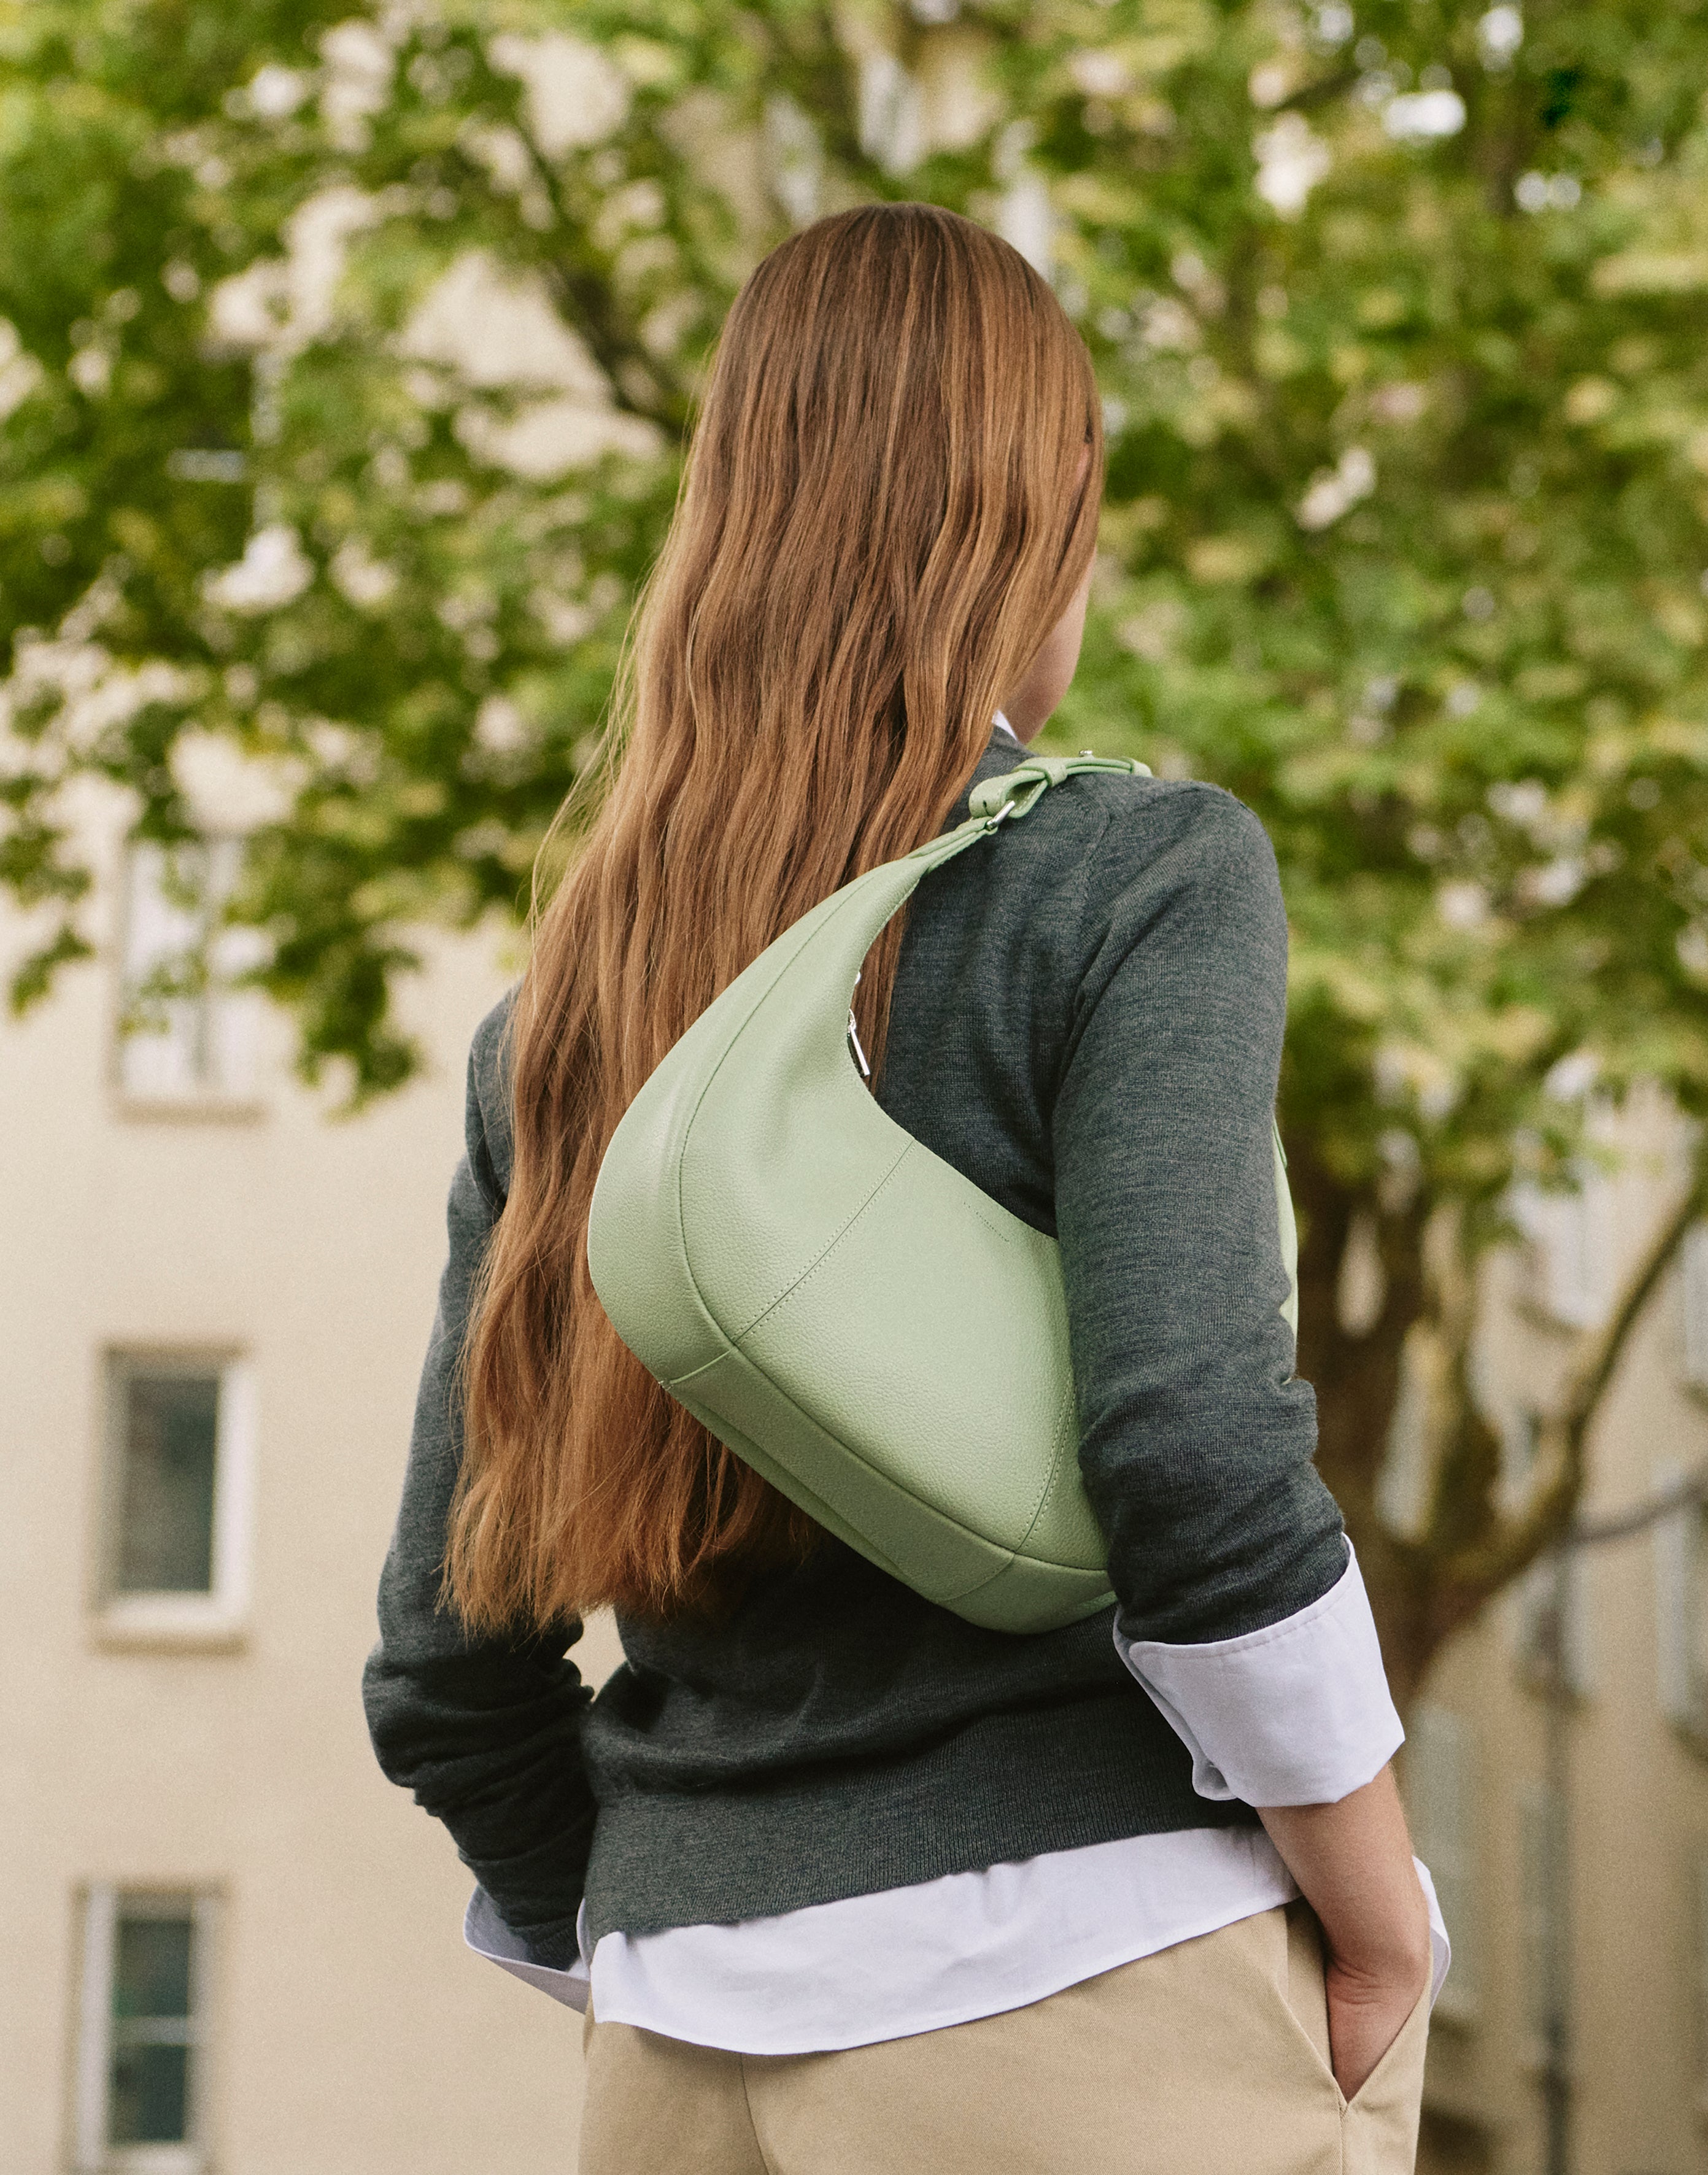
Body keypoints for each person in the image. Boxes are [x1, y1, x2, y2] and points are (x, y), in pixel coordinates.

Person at [365, 201, 1443, 2175]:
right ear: (1031, 524)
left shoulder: (567, 1025)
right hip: (1095, 1999)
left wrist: (662, 1949)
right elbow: (1191, 1460)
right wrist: (1378, 1914)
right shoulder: (1134, 882)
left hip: (677, 2061)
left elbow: (443, 1671)